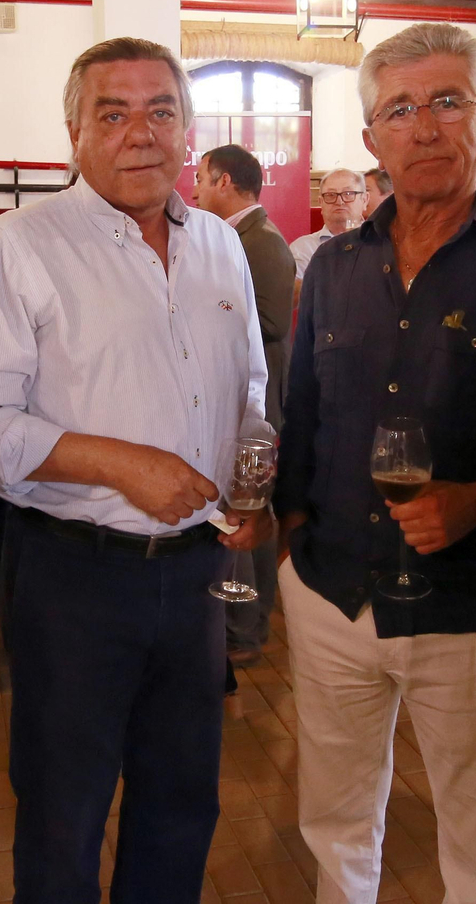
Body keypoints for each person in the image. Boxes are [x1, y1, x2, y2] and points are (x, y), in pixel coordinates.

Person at [0, 36, 273, 903]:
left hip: (199, 572)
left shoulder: (219, 246)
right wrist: (117, 462)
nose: (140, 133)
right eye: (112, 112)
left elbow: (249, 387)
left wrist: (252, 479)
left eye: (160, 110)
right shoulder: (20, 244)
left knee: (181, 803)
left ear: (189, 132)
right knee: (64, 811)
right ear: (74, 133)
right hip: (73, 575)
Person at [274, 22, 476, 904]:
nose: (426, 125)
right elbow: (304, 413)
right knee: (334, 824)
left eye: (448, 101)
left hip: (465, 607)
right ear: (371, 140)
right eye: (399, 108)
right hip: (333, 593)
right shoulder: (331, 268)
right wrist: (290, 545)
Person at [191, 142, 296, 664]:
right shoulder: (236, 238)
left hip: (257, 402)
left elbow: (273, 323)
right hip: (234, 398)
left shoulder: (264, 242)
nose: (196, 189)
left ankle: (248, 630)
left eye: (204, 179)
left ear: (226, 182)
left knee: (249, 509)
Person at [290, 166, 366, 281]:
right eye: (331, 195)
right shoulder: (303, 249)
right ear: (321, 202)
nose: (340, 202)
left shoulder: (381, 244)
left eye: (348, 193)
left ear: (365, 200)